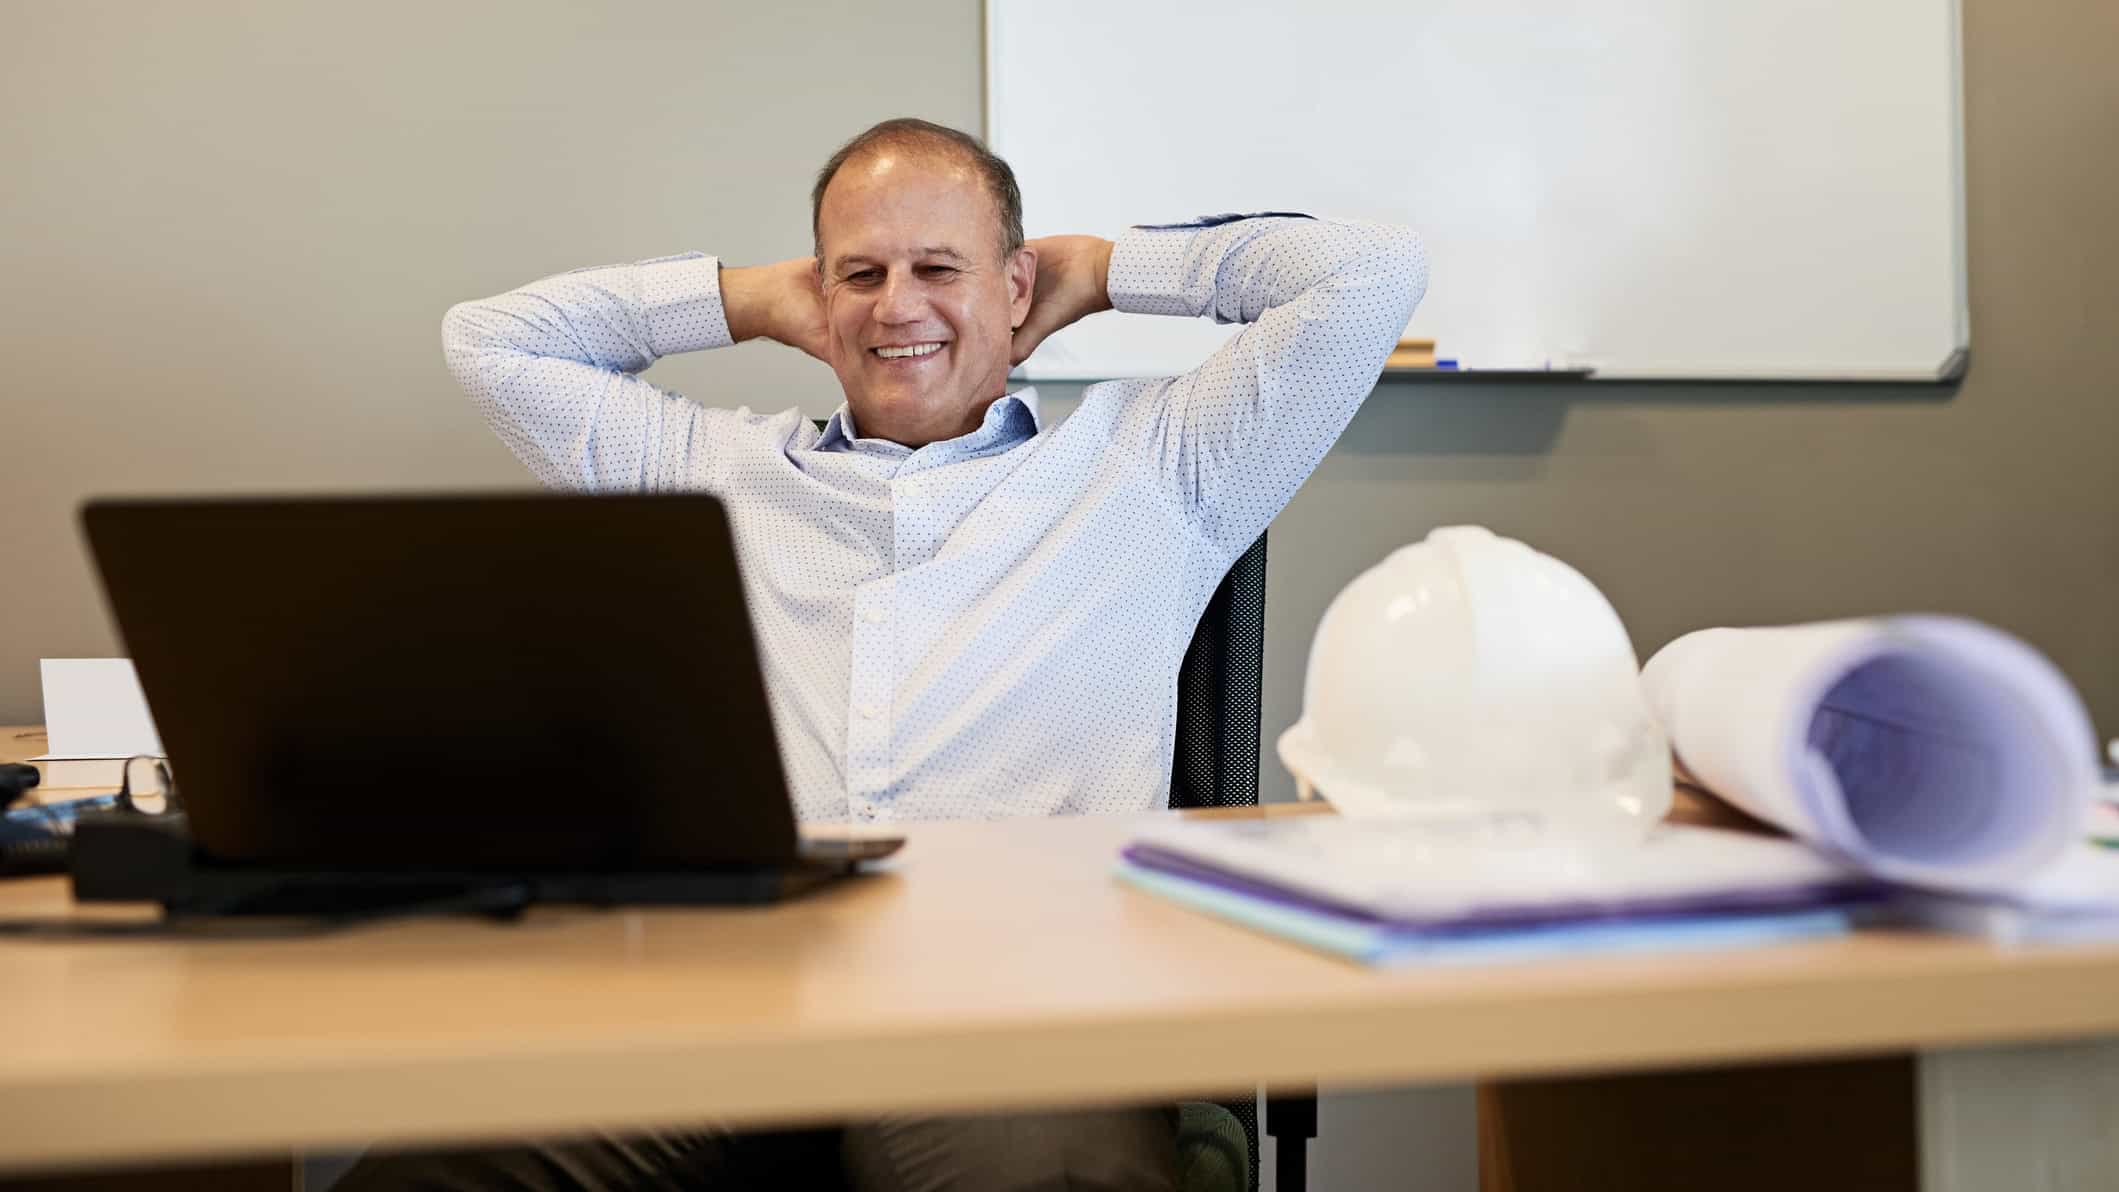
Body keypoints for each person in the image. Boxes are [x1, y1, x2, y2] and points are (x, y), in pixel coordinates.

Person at [342, 118, 1425, 1191]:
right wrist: (751, 296)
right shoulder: (705, 469)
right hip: (735, 1003)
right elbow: (488, 342)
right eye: (859, 273)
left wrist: (1101, 271)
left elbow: (1371, 272)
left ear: (1014, 287)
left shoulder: (1157, 469)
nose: (895, 305)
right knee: (434, 1171)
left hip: (1013, 1007)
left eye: (938, 268)